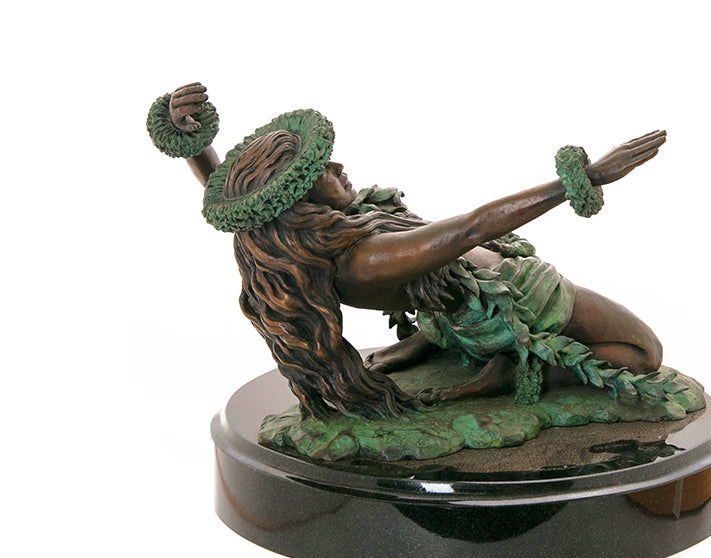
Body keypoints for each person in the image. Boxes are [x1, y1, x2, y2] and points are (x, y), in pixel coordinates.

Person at [149, 83, 668, 420]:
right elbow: (471, 227)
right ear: (298, 203)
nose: (338, 168)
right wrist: (585, 178)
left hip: (468, 303)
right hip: (520, 301)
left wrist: (192, 143)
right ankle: (513, 368)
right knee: (644, 354)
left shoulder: (318, 236)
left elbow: (250, 208)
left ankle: (442, 346)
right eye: (321, 171)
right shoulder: (366, 259)